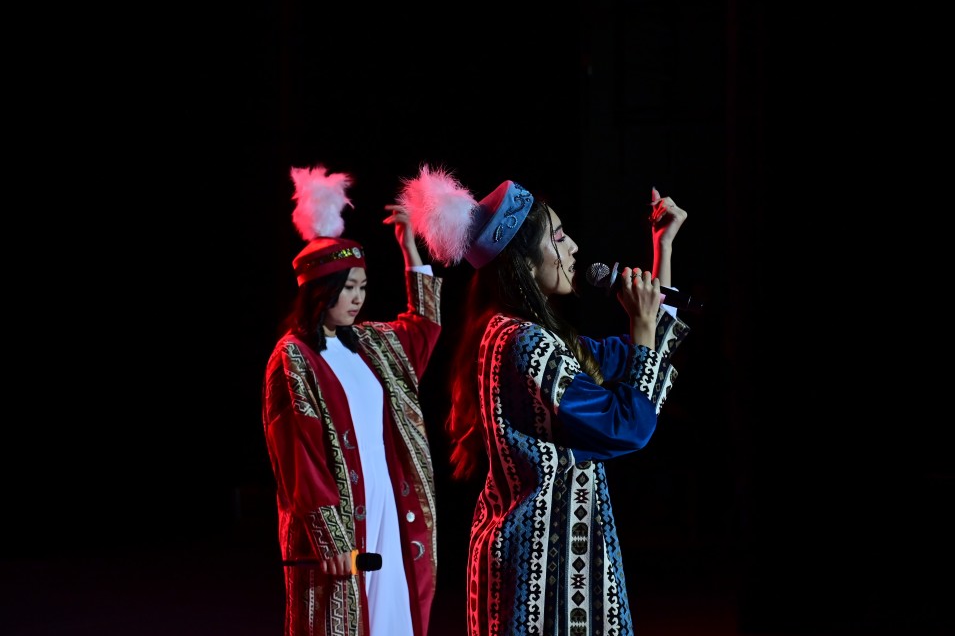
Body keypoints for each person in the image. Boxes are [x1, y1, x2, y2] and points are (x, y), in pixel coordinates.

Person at [403, 164, 690, 636]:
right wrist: (641, 325)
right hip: (542, 571)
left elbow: (640, 356)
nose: (573, 246)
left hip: (558, 561)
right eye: (557, 237)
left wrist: (664, 248)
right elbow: (627, 426)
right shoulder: (522, 342)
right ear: (524, 261)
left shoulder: (532, 336)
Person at [262, 163, 444, 636]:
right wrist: (330, 538)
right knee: (342, 618)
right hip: (341, 520)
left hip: (387, 503)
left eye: (362, 287)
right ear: (321, 291)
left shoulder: (372, 343)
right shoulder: (294, 357)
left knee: (392, 614)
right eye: (348, 288)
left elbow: (423, 329)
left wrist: (409, 249)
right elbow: (300, 456)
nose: (358, 298)